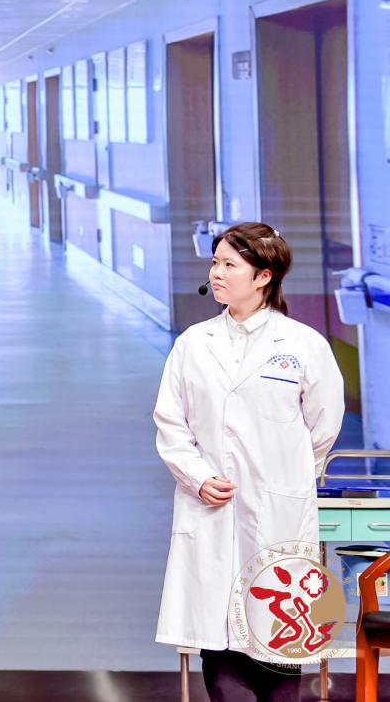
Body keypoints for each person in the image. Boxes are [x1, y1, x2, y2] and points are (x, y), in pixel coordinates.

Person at [154, 222, 345, 702]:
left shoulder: (303, 345)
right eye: (214, 263)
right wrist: (198, 477)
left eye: (228, 264)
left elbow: (323, 427)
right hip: (211, 508)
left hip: (278, 511)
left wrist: (282, 475)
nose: (216, 273)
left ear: (263, 276)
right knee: (220, 647)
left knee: (280, 639)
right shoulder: (193, 343)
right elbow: (170, 423)